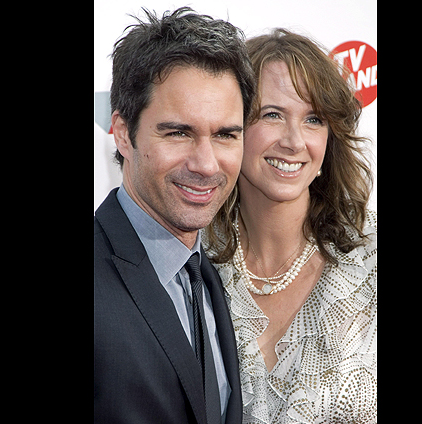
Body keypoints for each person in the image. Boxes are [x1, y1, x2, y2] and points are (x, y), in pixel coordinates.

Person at [203, 29, 377, 423]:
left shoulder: (369, 257)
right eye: (272, 115)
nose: (295, 141)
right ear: (232, 127)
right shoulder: (192, 264)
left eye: (314, 119)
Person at [94, 8, 255, 424]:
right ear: (123, 133)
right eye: (179, 133)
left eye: (225, 135)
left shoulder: (211, 275)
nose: (206, 164)